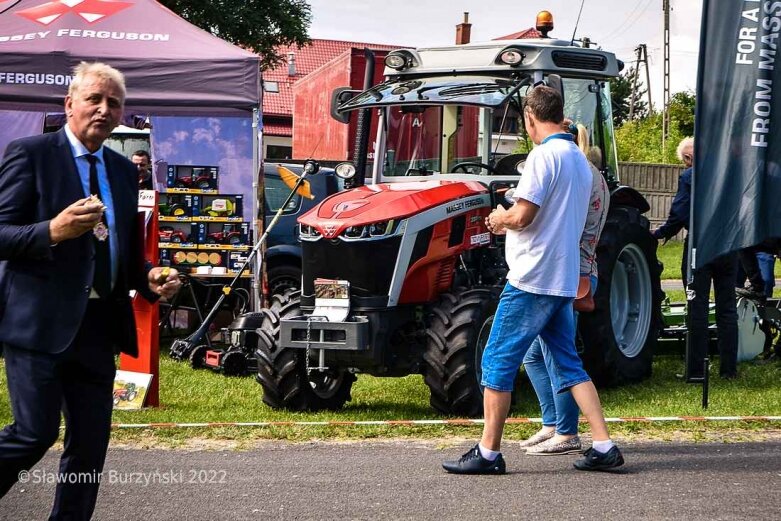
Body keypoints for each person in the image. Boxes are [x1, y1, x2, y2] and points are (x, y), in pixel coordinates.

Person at [0, 62, 181, 519]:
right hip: (39, 324)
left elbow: (122, 249)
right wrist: (51, 232)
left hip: (99, 329)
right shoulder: (30, 154)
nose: (104, 109)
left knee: (89, 447)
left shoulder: (122, 170)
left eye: (114, 102)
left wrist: (149, 277)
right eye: (94, 99)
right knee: (33, 434)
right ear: (69, 105)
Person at [442, 86, 624, 475]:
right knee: (569, 363)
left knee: (496, 360)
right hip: (561, 275)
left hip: (532, 277)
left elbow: (523, 216)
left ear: (529, 118)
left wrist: (498, 218)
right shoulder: (577, 157)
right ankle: (604, 445)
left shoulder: (543, 156)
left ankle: (488, 453)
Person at [521, 121, 610, 456]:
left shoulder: (578, 175)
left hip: (568, 272)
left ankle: (567, 430)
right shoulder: (589, 173)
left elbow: (558, 222)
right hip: (578, 269)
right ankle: (552, 423)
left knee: (558, 354)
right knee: (536, 352)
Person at [653, 137, 738, 379]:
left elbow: (680, 212)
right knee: (727, 306)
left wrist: (661, 233)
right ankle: (729, 370)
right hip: (729, 244)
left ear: (689, 159)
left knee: (697, 305)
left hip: (700, 245)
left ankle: (696, 370)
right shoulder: (729, 174)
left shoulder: (690, 177)